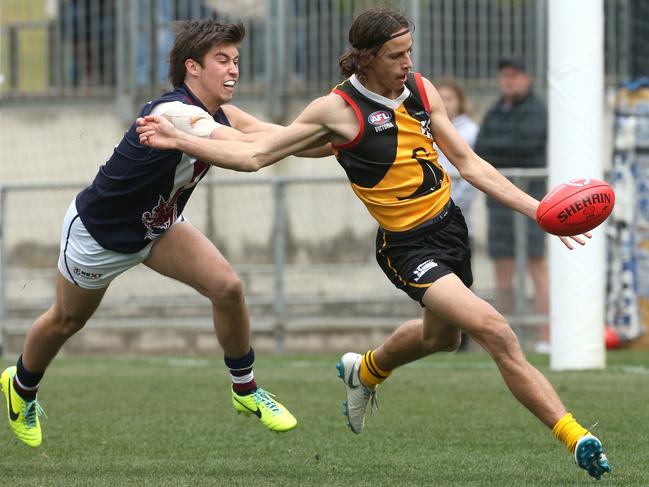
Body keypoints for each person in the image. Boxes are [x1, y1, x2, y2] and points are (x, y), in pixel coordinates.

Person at [136, 8, 611, 480]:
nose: (408, 63)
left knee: (441, 339)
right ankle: (576, 437)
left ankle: (365, 370)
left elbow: (469, 164)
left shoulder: (421, 90)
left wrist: (541, 211)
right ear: (365, 58)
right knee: (496, 331)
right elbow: (263, 150)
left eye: (410, 51)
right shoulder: (337, 110)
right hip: (407, 248)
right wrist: (183, 136)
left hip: (450, 229)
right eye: (396, 55)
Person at [0, 19, 314, 449]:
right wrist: (322, 137)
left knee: (227, 287)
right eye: (221, 60)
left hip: (159, 227)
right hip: (100, 237)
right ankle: (20, 388)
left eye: (236, 60)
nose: (233, 69)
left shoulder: (221, 113)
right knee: (66, 320)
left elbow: (280, 137)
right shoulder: (175, 113)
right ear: (193, 67)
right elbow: (250, 155)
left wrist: (340, 136)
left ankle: (246, 391)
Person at [474, 57, 549, 342]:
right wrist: (504, 147)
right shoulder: (496, 111)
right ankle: (504, 337)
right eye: (504, 75)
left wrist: (500, 148)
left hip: (532, 199)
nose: (508, 81)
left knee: (536, 265)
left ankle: (545, 336)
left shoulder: (536, 109)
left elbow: (527, 143)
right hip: (500, 203)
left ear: (527, 78)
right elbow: (480, 149)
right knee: (502, 268)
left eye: (514, 75)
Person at [435, 78, 480, 238]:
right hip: (431, 214)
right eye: (440, 99)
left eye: (449, 99)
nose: (445, 104)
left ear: (459, 101)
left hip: (459, 215)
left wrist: (451, 205)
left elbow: (473, 175)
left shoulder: (471, 131)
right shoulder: (427, 128)